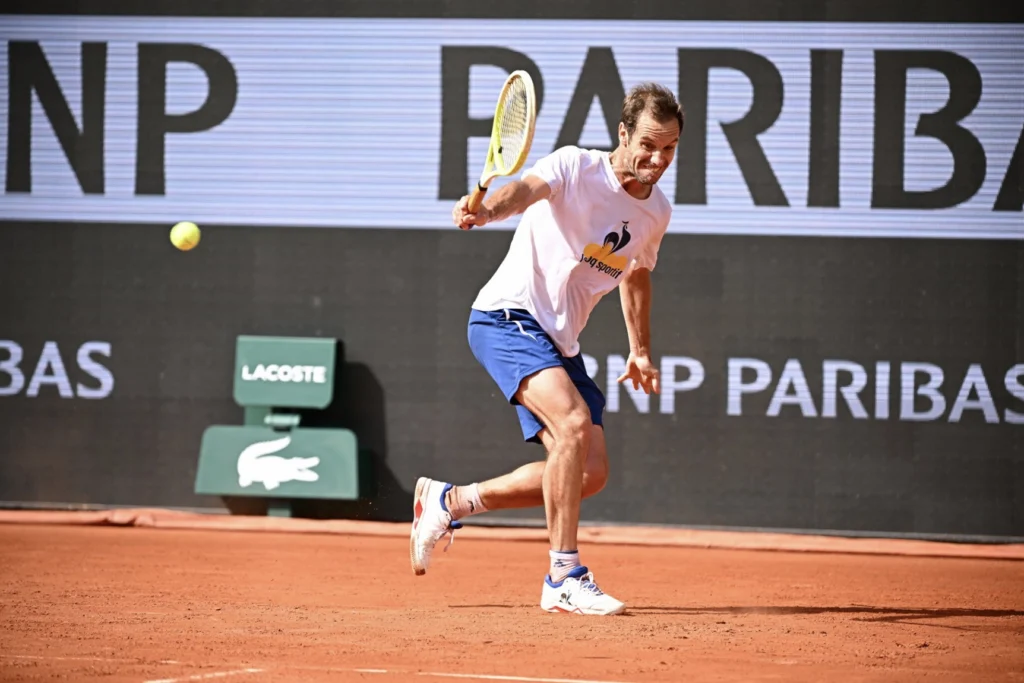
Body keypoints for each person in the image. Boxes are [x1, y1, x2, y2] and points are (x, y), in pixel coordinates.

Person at [410, 82, 683, 616]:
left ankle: (451, 501)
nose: (657, 158)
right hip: (506, 315)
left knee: (589, 472)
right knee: (573, 426)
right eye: (648, 144)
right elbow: (522, 191)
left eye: (670, 148)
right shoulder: (574, 167)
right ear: (623, 133)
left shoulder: (657, 213)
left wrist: (641, 348)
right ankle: (563, 575)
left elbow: (636, 274)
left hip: (559, 341)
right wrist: (487, 211)